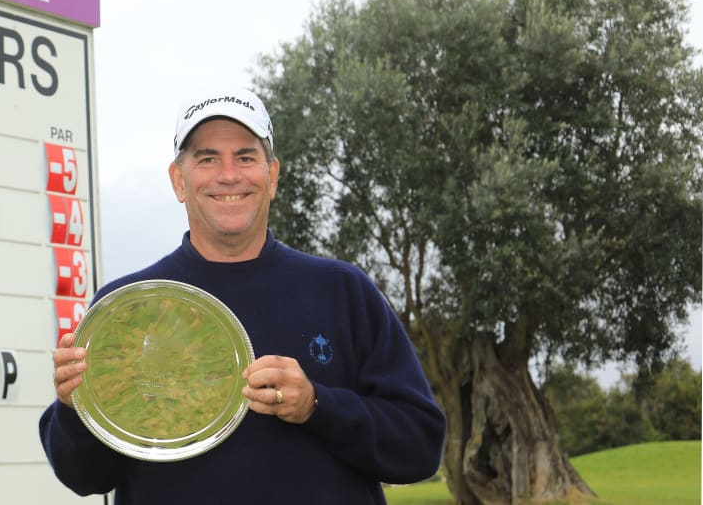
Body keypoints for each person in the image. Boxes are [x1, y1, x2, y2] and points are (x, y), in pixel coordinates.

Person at [39, 87, 446, 504]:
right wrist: (75, 408)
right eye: (207, 158)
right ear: (179, 180)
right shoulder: (128, 307)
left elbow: (420, 447)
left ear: (271, 176)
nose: (228, 175)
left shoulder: (342, 290)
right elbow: (83, 476)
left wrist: (318, 405)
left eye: (246, 157)